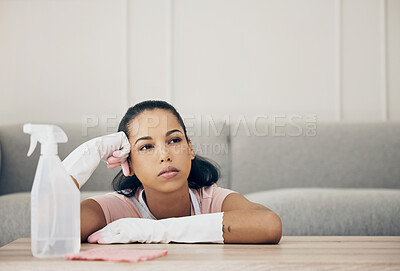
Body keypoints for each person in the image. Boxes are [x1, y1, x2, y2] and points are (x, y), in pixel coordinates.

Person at [62, 100, 282, 244]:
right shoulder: (116, 207)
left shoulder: (210, 199)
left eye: (174, 140)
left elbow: (269, 224)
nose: (165, 155)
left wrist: (156, 231)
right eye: (146, 147)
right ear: (128, 162)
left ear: (190, 148)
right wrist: (86, 155)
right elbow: (53, 233)